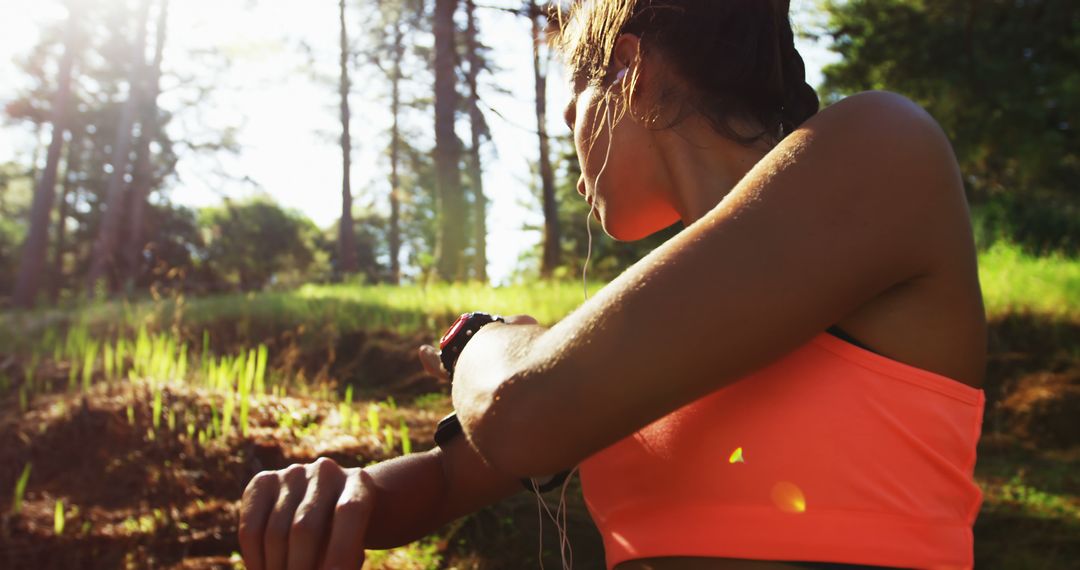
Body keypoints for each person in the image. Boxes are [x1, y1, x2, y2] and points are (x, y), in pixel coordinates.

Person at [238, 0, 988, 568]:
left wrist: (479, 338)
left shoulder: (883, 145)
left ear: (626, 65)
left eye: (572, 86)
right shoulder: (652, 325)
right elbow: (444, 481)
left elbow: (518, 408)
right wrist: (351, 494)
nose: (566, 119)